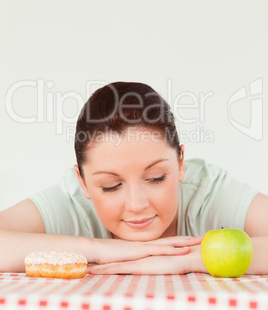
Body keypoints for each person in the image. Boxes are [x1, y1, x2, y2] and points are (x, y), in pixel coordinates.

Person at [0, 81, 268, 275]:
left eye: (155, 178)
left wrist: (187, 259)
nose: (137, 204)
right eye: (111, 186)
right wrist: (100, 249)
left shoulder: (207, 190)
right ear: (82, 183)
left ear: (180, 163)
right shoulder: (71, 201)